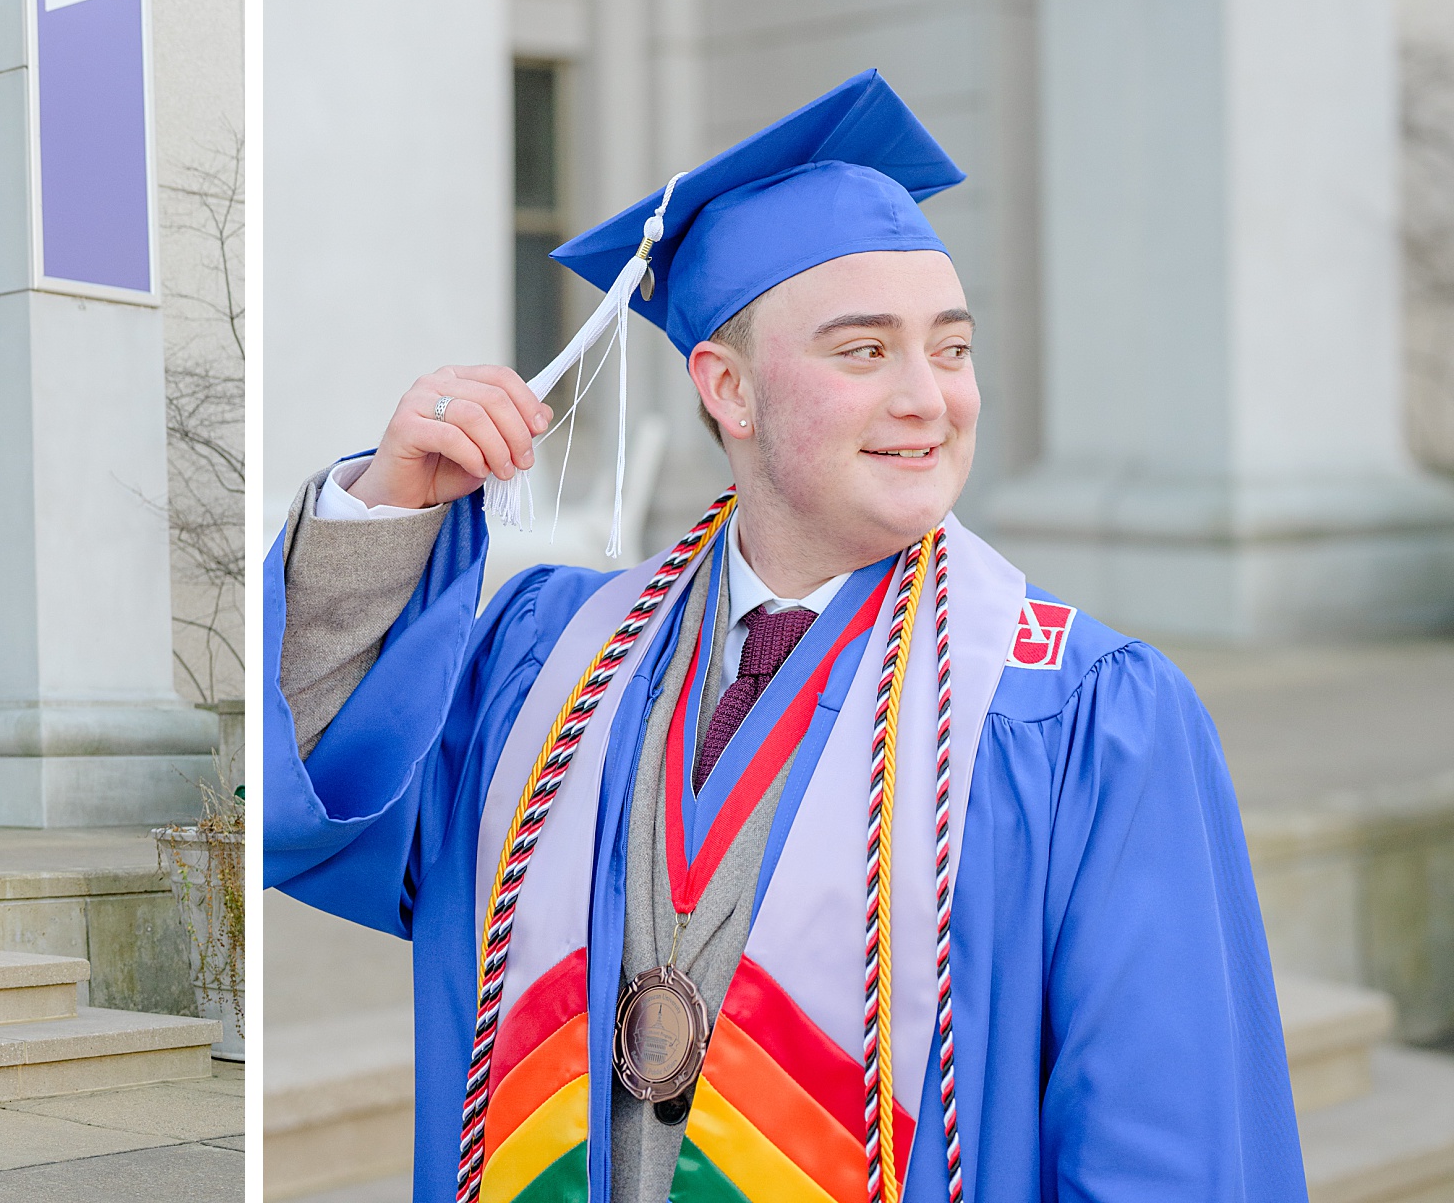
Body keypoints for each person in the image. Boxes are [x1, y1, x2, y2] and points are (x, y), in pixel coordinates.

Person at [265, 72, 1303, 1203]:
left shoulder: (1084, 719)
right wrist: (388, 509)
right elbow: (323, 802)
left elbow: (1171, 1153)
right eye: (865, 352)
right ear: (729, 389)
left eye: (950, 350)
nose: (928, 398)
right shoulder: (550, 659)